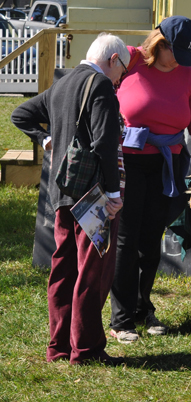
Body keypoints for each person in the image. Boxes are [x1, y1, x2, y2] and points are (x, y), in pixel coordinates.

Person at [109, 16, 191, 344]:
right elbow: (100, 82)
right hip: (129, 165)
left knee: (150, 239)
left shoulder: (188, 76)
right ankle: (120, 319)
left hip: (166, 166)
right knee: (126, 239)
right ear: (159, 43)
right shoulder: (131, 59)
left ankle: (142, 307)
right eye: (174, 51)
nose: (178, 59)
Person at [11, 33, 129, 365]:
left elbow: (21, 114)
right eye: (123, 70)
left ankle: (58, 347)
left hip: (62, 193)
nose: (121, 79)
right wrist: (115, 193)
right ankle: (86, 349)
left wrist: (46, 139)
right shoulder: (101, 86)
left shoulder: (63, 84)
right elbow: (105, 143)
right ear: (113, 60)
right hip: (94, 196)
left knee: (63, 270)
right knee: (92, 272)